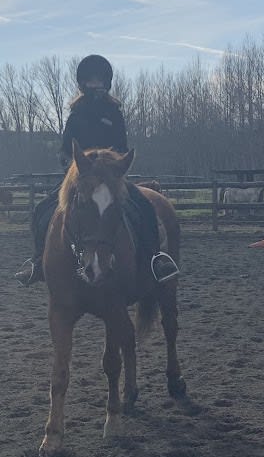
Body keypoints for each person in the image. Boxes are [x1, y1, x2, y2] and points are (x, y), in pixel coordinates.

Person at [15, 54, 178, 286]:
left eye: (99, 80)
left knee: (144, 208)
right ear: (83, 84)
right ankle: (38, 260)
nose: (95, 84)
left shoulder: (114, 114)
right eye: (91, 81)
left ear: (106, 83)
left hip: (111, 177)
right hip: (81, 177)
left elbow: (122, 147)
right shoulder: (75, 115)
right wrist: (73, 169)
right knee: (43, 210)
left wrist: (112, 165)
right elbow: (64, 149)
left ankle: (155, 259)